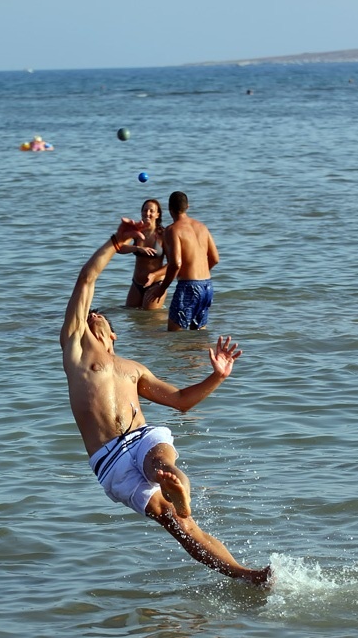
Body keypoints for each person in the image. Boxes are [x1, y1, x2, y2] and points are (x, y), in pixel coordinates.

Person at [60, 217, 271, 585]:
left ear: (112, 336)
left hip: (141, 438)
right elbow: (86, 281)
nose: (94, 314)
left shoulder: (132, 369)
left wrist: (216, 376)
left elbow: (180, 401)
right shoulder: (76, 350)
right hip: (110, 460)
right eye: (90, 314)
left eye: (102, 319)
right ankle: (243, 574)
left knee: (161, 463)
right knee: (174, 521)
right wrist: (114, 243)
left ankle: (177, 487)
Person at [151, 191, 219, 331]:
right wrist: (199, 274)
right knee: (199, 336)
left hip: (188, 287)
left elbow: (176, 263)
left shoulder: (172, 230)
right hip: (207, 286)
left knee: (175, 338)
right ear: (187, 207)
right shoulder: (202, 227)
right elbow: (215, 258)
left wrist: (162, 288)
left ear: (169, 209)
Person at [118, 198, 168, 311]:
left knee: (150, 321)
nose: (147, 213)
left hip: (156, 284)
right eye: (145, 210)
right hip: (136, 283)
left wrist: (154, 275)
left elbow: (173, 264)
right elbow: (119, 248)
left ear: (158, 214)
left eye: (151, 211)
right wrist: (137, 248)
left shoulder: (163, 234)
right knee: (131, 317)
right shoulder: (137, 232)